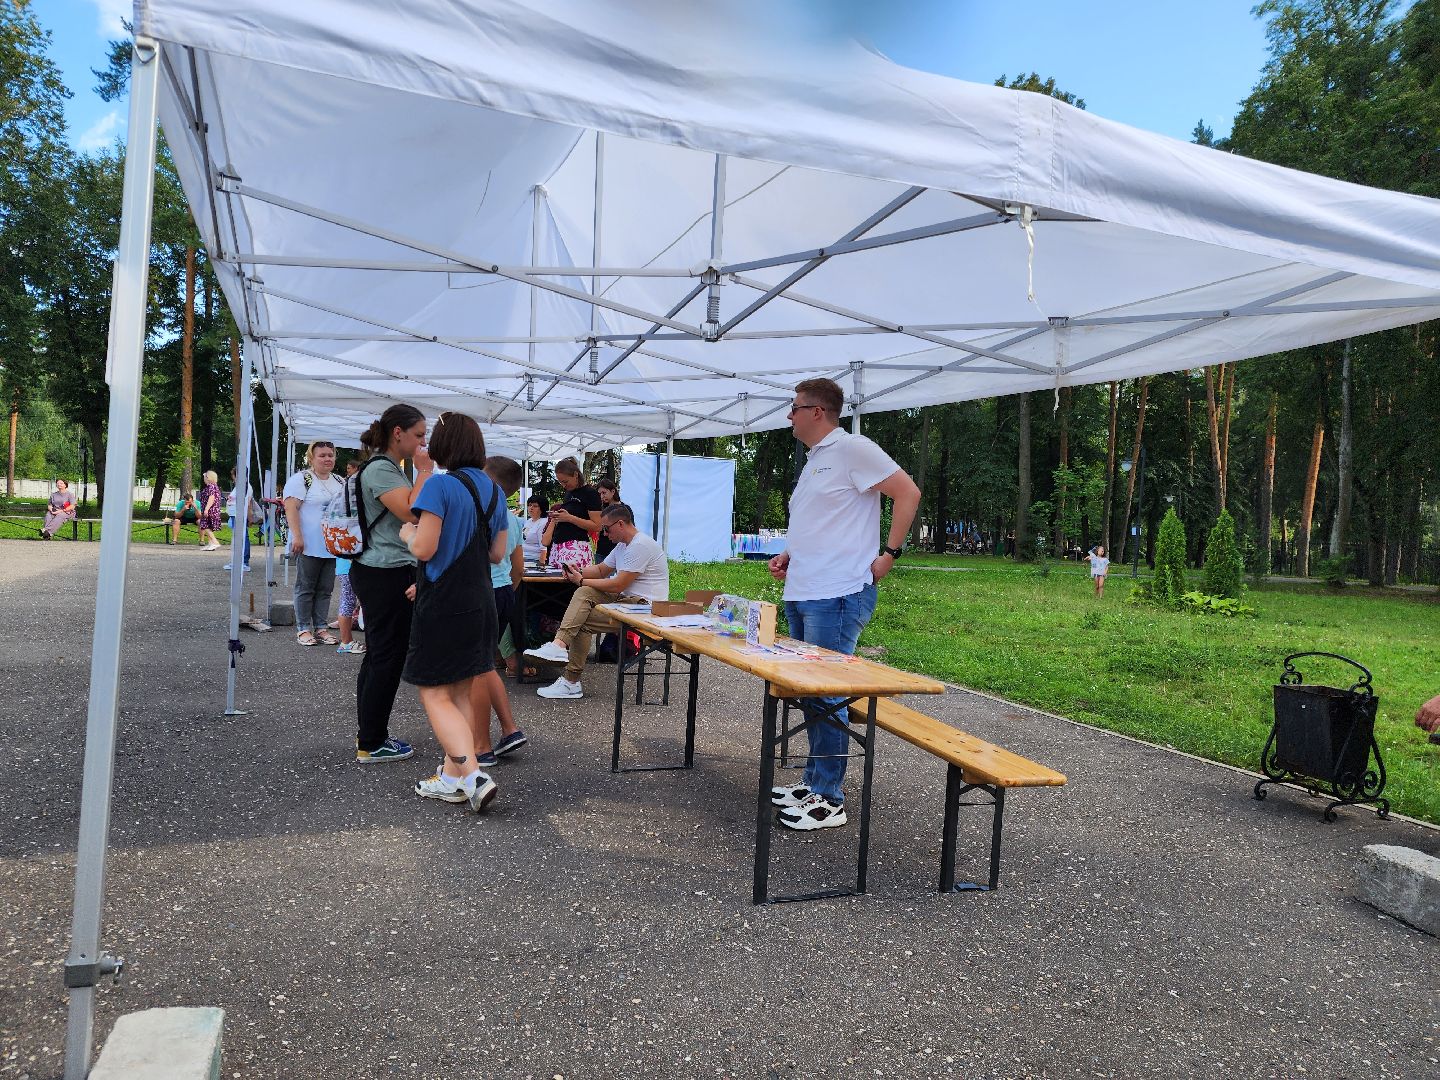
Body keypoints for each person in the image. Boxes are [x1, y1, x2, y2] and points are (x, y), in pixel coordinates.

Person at [766, 378, 921, 832]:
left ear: (818, 411)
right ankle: (815, 779)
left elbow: (908, 493)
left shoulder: (854, 448)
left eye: (794, 408)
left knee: (828, 692)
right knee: (809, 692)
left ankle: (829, 797)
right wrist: (789, 555)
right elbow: (819, 521)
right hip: (804, 589)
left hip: (836, 594)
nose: (789, 416)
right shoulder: (816, 459)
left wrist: (889, 555)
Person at [399, 411, 509, 812]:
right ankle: (451, 779)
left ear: (444, 445)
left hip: (444, 601)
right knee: (460, 688)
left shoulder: (441, 486)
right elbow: (497, 554)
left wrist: (407, 532)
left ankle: (472, 773)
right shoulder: (495, 491)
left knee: (433, 691)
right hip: (482, 600)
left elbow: (423, 548)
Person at [349, 404, 433, 765]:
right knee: (387, 656)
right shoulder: (382, 469)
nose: (422, 442)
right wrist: (426, 471)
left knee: (379, 655)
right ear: (397, 432)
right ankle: (372, 741)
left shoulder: (385, 467)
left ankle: (369, 733)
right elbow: (413, 511)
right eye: (418, 435)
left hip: (379, 568)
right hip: (385, 570)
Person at [524, 501, 669, 700]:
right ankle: (561, 654)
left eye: (606, 529)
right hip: (629, 601)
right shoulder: (623, 545)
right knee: (583, 602)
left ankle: (570, 679)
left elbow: (618, 584)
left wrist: (582, 580)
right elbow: (601, 570)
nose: (604, 534)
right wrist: (576, 570)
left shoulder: (640, 545)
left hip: (645, 608)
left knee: (582, 611)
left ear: (620, 524)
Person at [467, 455, 527, 765]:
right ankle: (508, 729)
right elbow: (518, 567)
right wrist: (508, 590)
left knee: (475, 668)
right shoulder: (514, 518)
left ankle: (481, 745)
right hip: (503, 591)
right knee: (485, 663)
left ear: (488, 481)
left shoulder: (480, 510)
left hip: (481, 590)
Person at [283, 440, 344, 647]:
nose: (327, 459)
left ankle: (321, 627)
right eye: (322, 455)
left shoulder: (339, 481)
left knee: (325, 589)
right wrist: (297, 537)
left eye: (331, 455)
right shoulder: (302, 480)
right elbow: (290, 508)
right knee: (306, 587)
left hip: (332, 545)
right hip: (309, 544)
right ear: (311, 458)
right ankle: (303, 629)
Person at [542, 456, 602, 570]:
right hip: (558, 545)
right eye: (560, 482)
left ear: (575, 475)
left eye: (565, 482)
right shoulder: (569, 493)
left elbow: (597, 526)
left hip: (576, 546)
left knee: (571, 584)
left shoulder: (590, 493)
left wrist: (569, 518)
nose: (563, 486)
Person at [197, 470, 224, 550]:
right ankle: (211, 544)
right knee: (210, 527)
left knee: (206, 526)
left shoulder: (211, 487)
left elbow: (211, 498)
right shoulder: (213, 486)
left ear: (208, 478)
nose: (204, 478)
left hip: (210, 510)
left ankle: (215, 542)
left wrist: (206, 509)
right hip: (213, 510)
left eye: (205, 477)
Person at [521, 495, 549, 565]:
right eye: (530, 505)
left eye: (535, 506)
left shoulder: (543, 522)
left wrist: (541, 565)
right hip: (523, 557)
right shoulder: (529, 521)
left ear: (542, 508)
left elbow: (544, 547)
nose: (531, 508)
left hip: (534, 559)